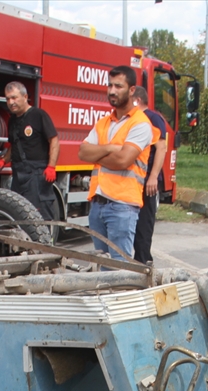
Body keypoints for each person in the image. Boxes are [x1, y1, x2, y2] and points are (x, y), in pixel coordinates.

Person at [77, 65, 153, 261]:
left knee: (119, 268)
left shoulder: (140, 124)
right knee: (102, 264)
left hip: (122, 206)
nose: (112, 91)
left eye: (118, 86)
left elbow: (123, 160)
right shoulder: (104, 122)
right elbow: (83, 152)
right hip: (98, 204)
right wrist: (110, 148)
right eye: (109, 85)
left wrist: (98, 154)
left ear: (132, 90)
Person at [0, 81, 59, 220]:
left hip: (36, 173)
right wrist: (3, 160)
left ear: (25, 97)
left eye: (14, 97)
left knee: (39, 214)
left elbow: (54, 140)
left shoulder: (38, 115)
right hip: (19, 174)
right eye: (8, 99)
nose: (11, 102)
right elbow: (15, 145)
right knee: (18, 213)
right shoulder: (12, 120)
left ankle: (45, 241)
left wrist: (51, 166)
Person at [129, 86, 169, 265]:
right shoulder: (132, 119)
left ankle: (144, 262)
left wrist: (153, 176)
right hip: (134, 180)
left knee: (144, 225)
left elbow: (161, 148)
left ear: (136, 100)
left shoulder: (153, 119)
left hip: (147, 181)